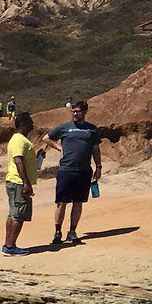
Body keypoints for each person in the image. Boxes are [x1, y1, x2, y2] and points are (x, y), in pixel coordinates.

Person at [44, 98, 103, 246]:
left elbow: (96, 149)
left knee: (78, 202)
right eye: (73, 111)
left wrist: (99, 167)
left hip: (84, 171)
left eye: (78, 111)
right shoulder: (65, 127)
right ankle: (57, 232)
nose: (75, 114)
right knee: (61, 202)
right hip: (66, 169)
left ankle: (72, 231)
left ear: (85, 112)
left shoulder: (92, 129)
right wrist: (59, 148)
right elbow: (46, 138)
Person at [2, 111, 39, 256]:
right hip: (18, 182)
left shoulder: (19, 140)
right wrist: (26, 183)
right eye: (30, 121)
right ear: (23, 124)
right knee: (18, 215)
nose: (33, 124)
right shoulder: (19, 140)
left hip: (15, 181)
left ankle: (8, 244)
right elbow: (18, 160)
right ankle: (10, 246)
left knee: (13, 214)